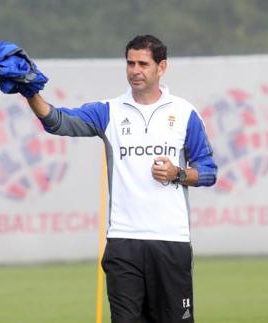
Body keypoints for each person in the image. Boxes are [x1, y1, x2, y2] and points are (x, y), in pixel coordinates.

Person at [24, 35, 217, 322]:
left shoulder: (184, 113)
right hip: (123, 242)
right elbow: (57, 121)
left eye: (143, 64)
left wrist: (177, 173)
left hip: (171, 240)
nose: (135, 70)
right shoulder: (108, 111)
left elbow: (209, 172)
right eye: (130, 63)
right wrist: (29, 92)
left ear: (161, 67)